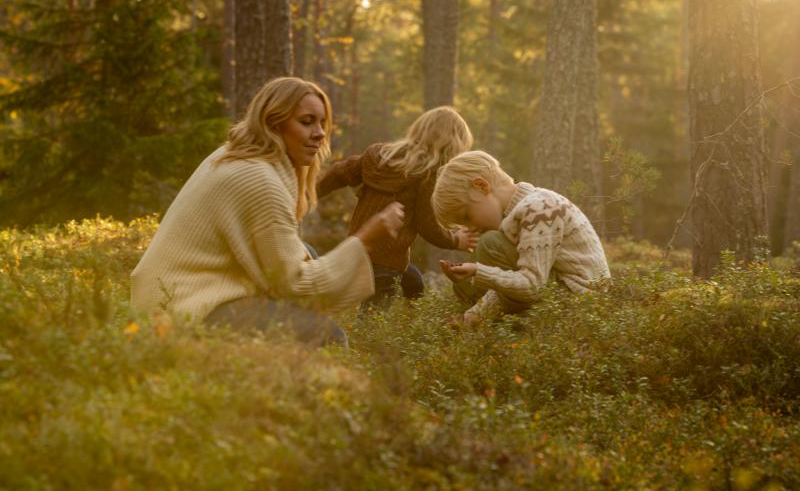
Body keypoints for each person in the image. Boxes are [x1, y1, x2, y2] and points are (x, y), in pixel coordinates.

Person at [130, 77, 404, 346]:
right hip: (185, 307)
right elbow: (293, 284)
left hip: (165, 294)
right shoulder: (261, 181)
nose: (320, 133)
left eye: (323, 123)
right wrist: (366, 238)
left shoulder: (234, 154)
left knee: (309, 253)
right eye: (306, 122)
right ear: (274, 123)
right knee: (329, 337)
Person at [316, 106, 478, 305]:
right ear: (452, 146)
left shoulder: (380, 156)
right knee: (373, 319)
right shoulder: (427, 175)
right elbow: (426, 224)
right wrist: (455, 240)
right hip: (387, 259)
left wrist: (311, 193)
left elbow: (339, 172)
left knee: (414, 282)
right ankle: (381, 334)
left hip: (358, 247)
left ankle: (408, 322)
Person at [431, 150, 611, 327]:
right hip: (557, 293)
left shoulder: (539, 208)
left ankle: (519, 326)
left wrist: (479, 271)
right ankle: (507, 324)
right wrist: (472, 316)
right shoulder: (520, 214)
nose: (470, 228)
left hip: (580, 302)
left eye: (467, 217)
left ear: (481, 186)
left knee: (489, 245)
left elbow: (533, 285)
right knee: (465, 285)